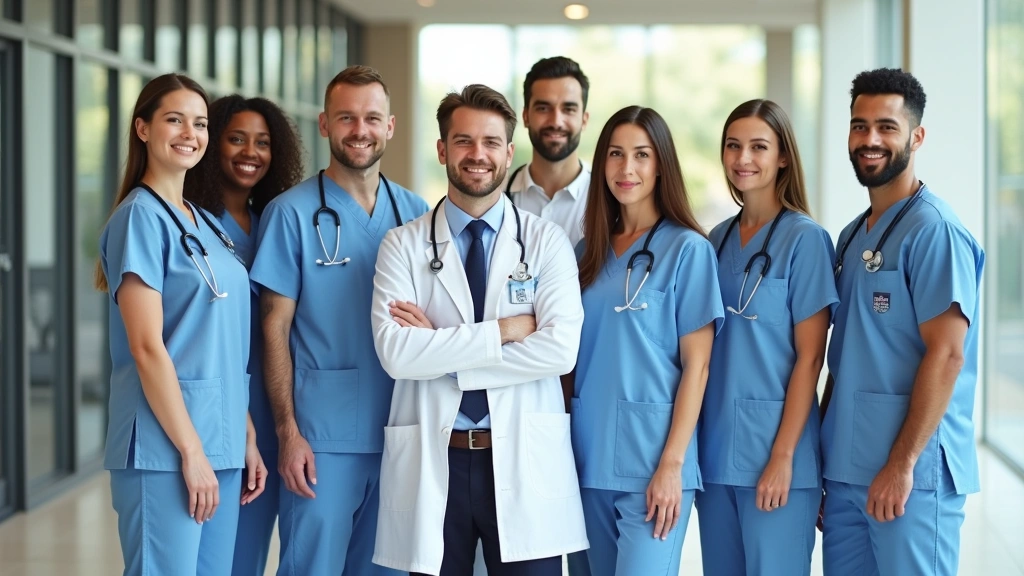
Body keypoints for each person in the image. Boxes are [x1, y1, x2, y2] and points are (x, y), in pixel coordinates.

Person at [370, 84, 588, 576]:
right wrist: (506, 331)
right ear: (443, 149)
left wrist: (443, 360)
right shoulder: (402, 246)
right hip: (435, 460)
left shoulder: (545, 241)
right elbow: (397, 355)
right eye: (463, 141)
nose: (477, 155)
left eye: (491, 143)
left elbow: (559, 351)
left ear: (509, 153)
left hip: (521, 463)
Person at [249, 65, 429, 575]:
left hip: (400, 433)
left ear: (390, 126)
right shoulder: (291, 213)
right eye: (346, 117)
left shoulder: (416, 214)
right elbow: (273, 328)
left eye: (372, 118)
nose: (360, 129)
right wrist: (287, 432)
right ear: (325, 125)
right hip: (320, 440)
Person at [96, 73, 266, 576]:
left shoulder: (204, 221)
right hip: (166, 448)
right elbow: (147, 348)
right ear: (143, 129)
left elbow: (222, 344)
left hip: (223, 441)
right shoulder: (139, 218)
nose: (189, 133)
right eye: (175, 120)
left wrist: (246, 433)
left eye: (200, 123)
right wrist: (192, 452)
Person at [820, 68, 985, 576]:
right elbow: (843, 356)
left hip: (910, 474)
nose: (870, 140)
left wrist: (902, 463)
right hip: (848, 470)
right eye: (859, 125)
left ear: (916, 136)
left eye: (887, 127)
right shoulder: (851, 236)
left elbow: (948, 354)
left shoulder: (934, 231)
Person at [566, 105, 723, 576]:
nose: (626, 168)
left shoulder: (688, 250)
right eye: (615, 154)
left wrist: (673, 465)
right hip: (584, 457)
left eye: (641, 155)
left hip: (654, 463)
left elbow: (698, 367)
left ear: (662, 165)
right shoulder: (585, 253)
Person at [695, 99, 838, 576]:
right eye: (733, 146)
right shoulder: (713, 241)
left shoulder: (805, 239)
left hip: (777, 457)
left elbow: (810, 358)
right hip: (714, 456)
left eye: (759, 146)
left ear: (782, 157)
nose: (743, 158)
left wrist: (783, 459)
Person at [183, 94, 305, 576]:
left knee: (250, 553)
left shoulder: (271, 222)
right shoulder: (188, 220)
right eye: (236, 139)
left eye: (263, 142)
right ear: (212, 143)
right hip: (212, 408)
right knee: (209, 554)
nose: (250, 152)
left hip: (272, 408)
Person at [505, 56, 591, 249]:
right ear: (526, 116)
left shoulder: (609, 198)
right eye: (543, 108)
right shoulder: (498, 195)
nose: (556, 121)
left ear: (584, 120)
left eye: (568, 109)